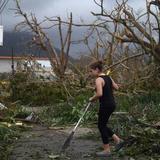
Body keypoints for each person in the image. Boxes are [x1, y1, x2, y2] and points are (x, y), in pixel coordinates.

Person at [89, 60, 123, 157]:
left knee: (101, 126)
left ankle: (107, 150)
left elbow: (100, 94)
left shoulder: (98, 79)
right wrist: (104, 86)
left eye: (91, 71)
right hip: (112, 104)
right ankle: (118, 140)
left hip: (105, 105)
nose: (90, 73)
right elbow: (116, 87)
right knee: (102, 125)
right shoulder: (108, 77)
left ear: (96, 69)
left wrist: (92, 98)